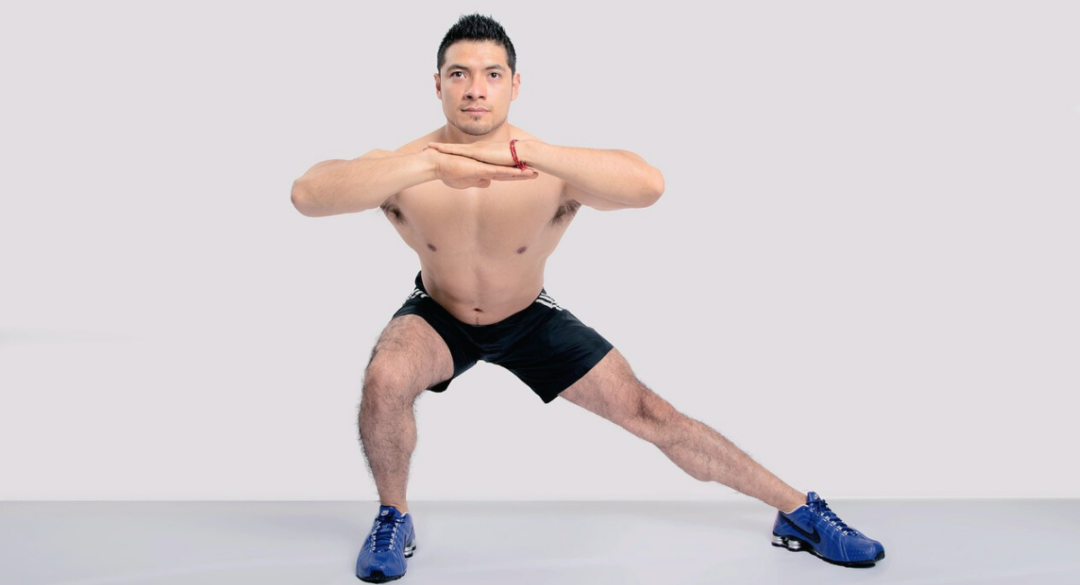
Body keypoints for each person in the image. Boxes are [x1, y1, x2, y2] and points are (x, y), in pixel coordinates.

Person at [291, 13, 885, 583]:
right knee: (385, 377)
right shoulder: (404, 166)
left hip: (526, 316)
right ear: (438, 84)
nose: (475, 89)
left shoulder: (551, 167)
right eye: (459, 74)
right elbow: (308, 194)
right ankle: (393, 517)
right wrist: (430, 165)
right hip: (438, 314)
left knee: (650, 412)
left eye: (492, 74)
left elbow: (649, 184)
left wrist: (524, 154)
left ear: (514, 85)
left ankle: (798, 511)